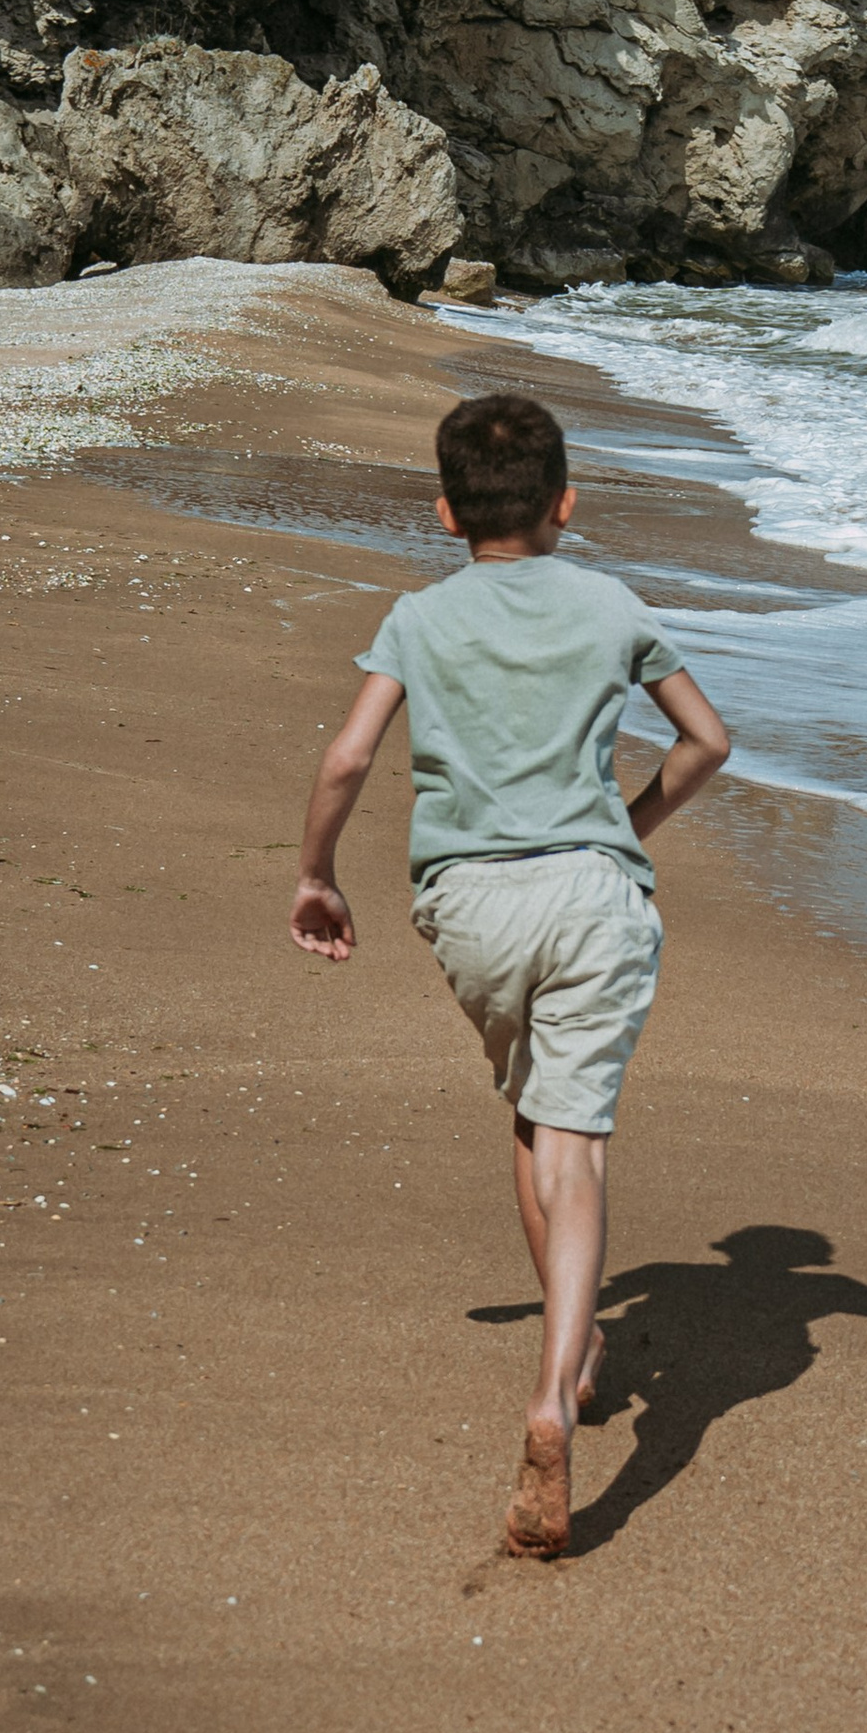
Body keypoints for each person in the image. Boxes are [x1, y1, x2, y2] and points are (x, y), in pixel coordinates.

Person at [289, 390, 732, 1556]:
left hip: (471, 906)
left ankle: (577, 1354)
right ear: (566, 504)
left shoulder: (418, 616)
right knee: (573, 1139)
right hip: (592, 897)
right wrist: (627, 828)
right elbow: (709, 742)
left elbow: (346, 756)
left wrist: (316, 874)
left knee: (532, 1123)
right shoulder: (611, 604)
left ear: (444, 513)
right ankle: (557, 1387)